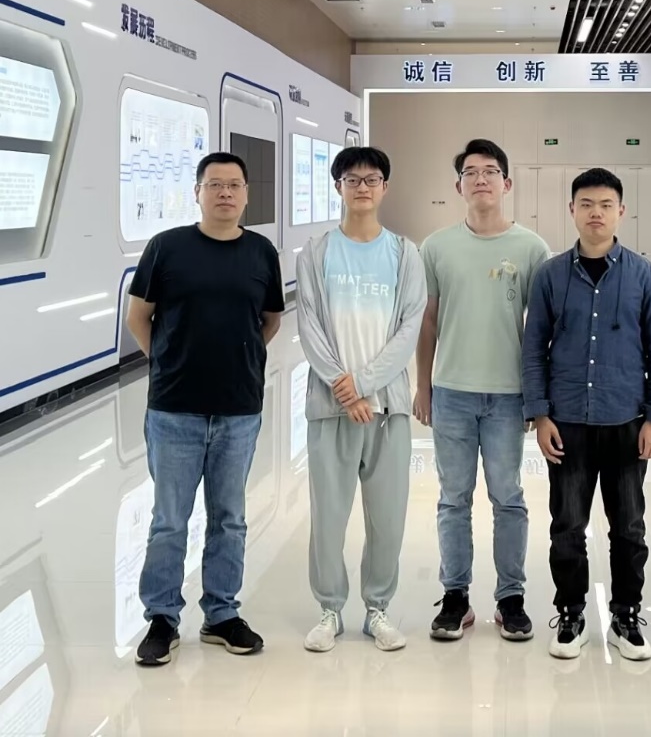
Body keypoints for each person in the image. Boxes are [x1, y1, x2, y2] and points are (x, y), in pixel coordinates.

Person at [126, 152, 284, 665]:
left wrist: (240, 362)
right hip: (174, 409)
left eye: (234, 185)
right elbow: (138, 316)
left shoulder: (261, 251)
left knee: (230, 518)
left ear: (246, 194)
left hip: (239, 409)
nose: (225, 193)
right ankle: (162, 618)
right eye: (214, 184)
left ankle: (221, 613)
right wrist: (167, 362)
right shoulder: (167, 247)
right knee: (170, 519)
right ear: (197, 192)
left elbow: (270, 320)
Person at [522, 168, 651, 661]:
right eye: (586, 204)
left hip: (627, 421)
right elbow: (533, 348)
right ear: (572, 210)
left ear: (621, 212)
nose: (596, 213)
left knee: (628, 527)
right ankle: (571, 614)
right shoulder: (550, 275)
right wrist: (539, 415)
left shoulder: (642, 274)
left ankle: (626, 616)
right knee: (567, 525)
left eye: (606, 205)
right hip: (567, 421)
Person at [414, 138, 550, 641]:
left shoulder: (531, 248)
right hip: (451, 391)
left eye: (490, 171)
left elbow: (542, 329)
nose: (480, 180)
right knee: (453, 498)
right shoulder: (436, 247)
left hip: (508, 396)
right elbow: (428, 320)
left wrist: (538, 397)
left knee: (508, 496)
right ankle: (456, 596)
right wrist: (423, 385)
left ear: (506, 183)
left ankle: (510, 597)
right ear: (459, 186)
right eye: (470, 173)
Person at [296, 146, 427, 653]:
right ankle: (329, 609)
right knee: (328, 517)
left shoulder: (405, 254)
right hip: (331, 407)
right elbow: (308, 324)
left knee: (387, 517)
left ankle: (378, 609)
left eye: (372, 179)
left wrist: (365, 384)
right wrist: (342, 385)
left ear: (384, 187)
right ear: (339, 187)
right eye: (352, 179)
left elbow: (409, 326)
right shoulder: (317, 253)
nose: (362, 187)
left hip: (387, 409)